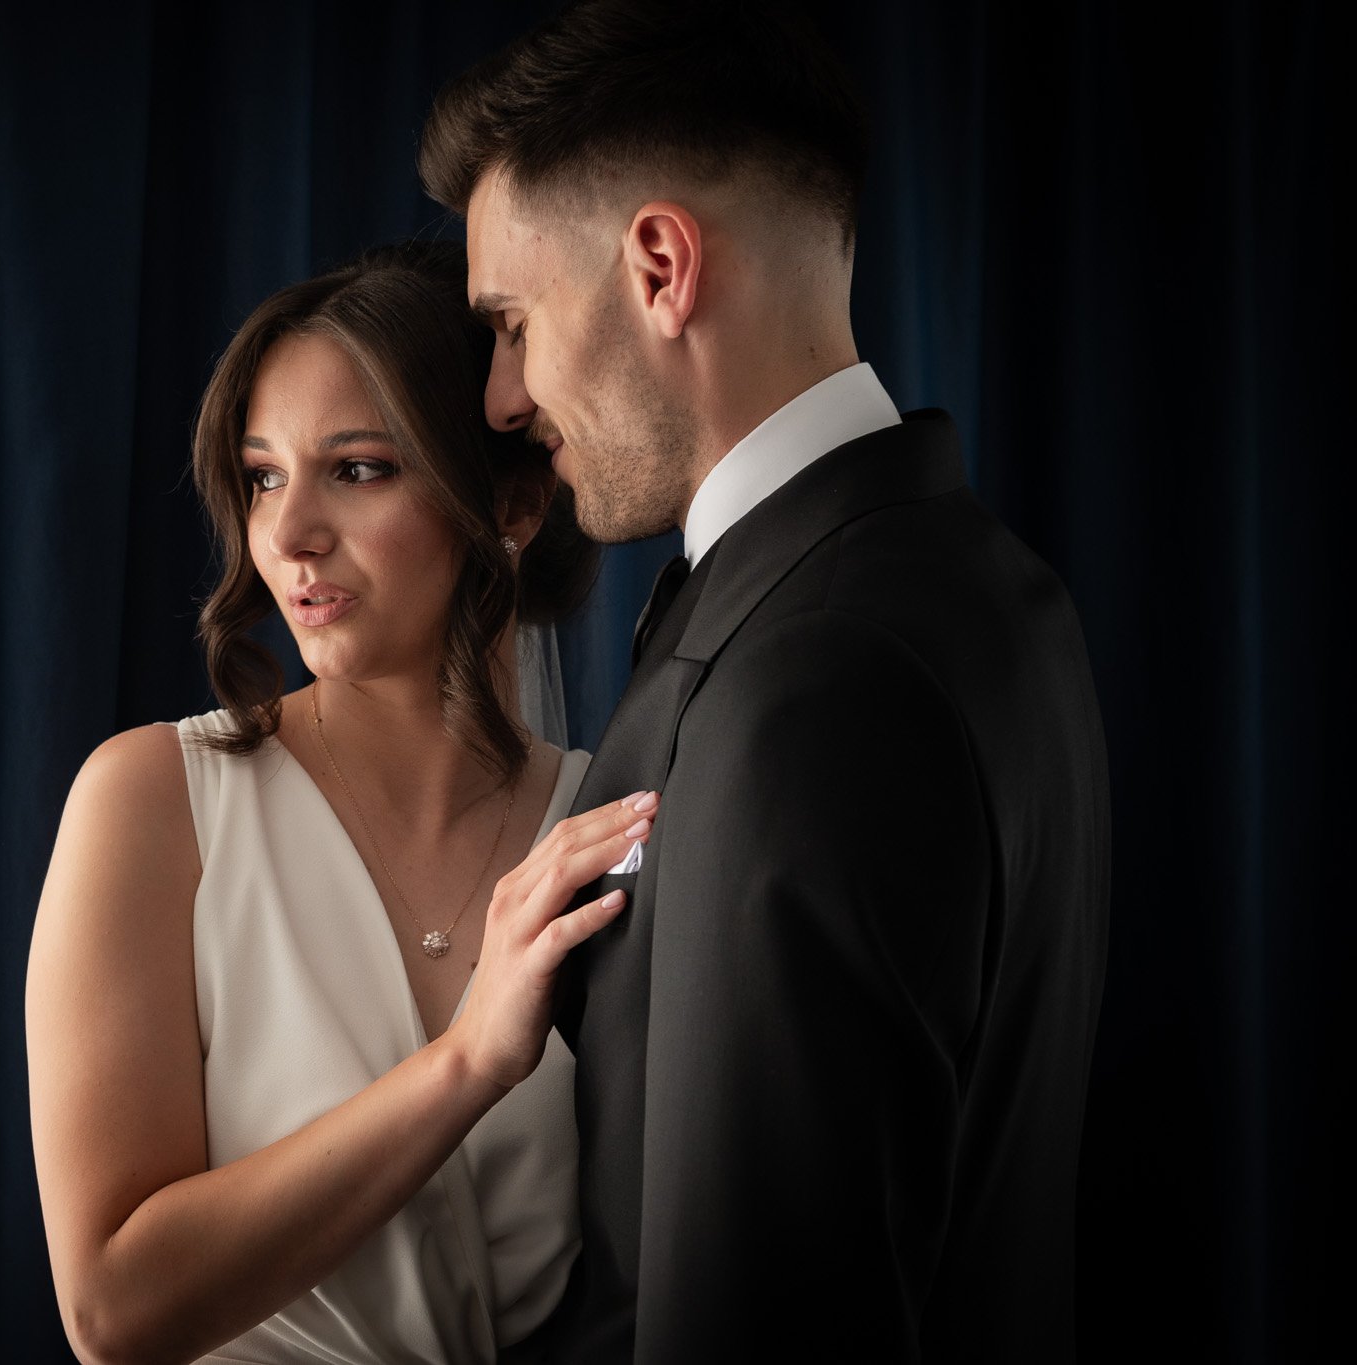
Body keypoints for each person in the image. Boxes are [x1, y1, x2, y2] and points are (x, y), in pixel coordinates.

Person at [419, 3, 1111, 1360]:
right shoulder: (989, 585)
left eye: (511, 320)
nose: (500, 395)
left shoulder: (805, 683)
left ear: (662, 266)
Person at [26, 241, 644, 1364]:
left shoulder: (604, 830)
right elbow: (110, 1310)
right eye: (263, 475)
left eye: (356, 468)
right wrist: (464, 1064)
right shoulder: (155, 804)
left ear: (508, 498)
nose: (288, 532)